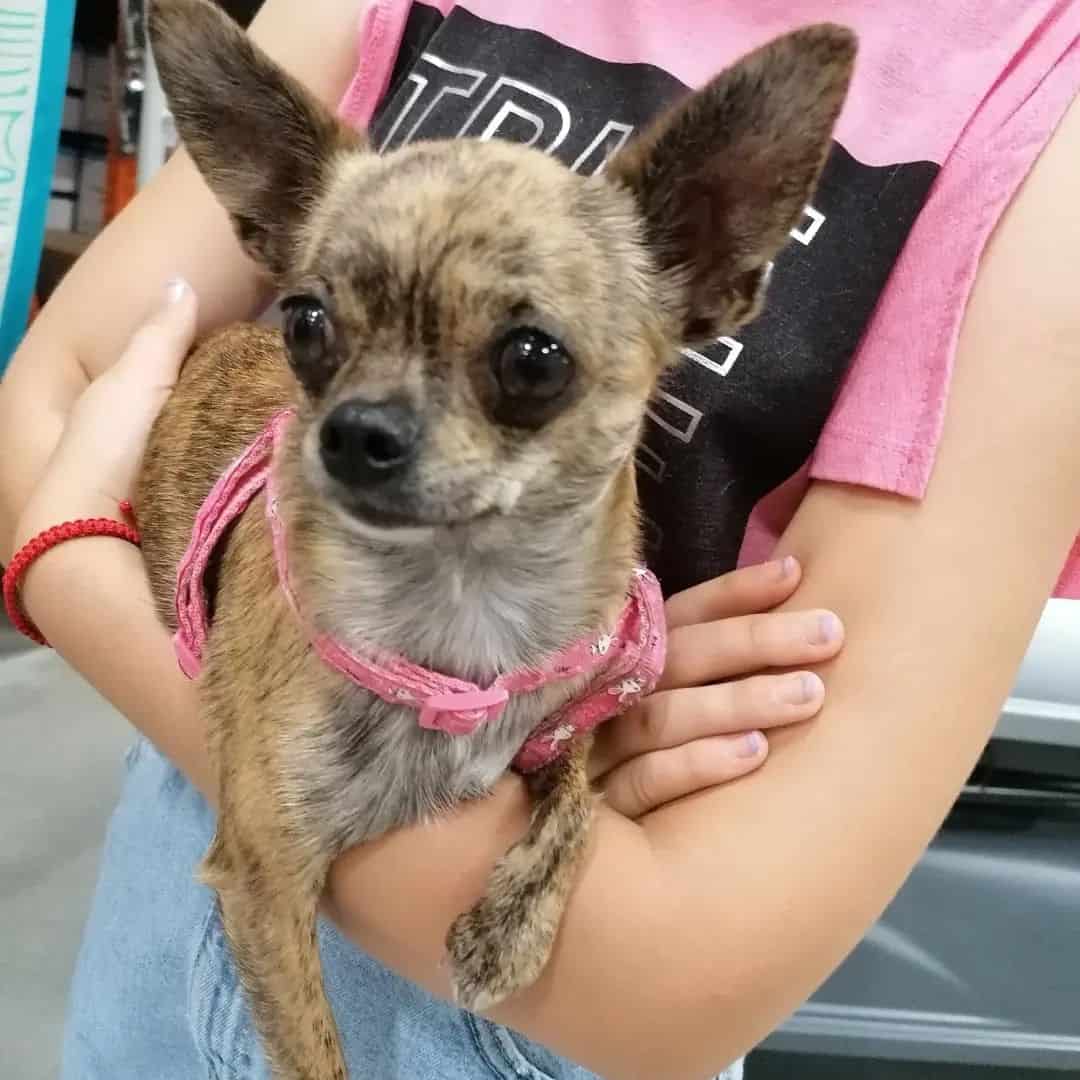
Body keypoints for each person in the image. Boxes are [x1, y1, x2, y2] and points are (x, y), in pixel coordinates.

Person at [2, 1, 1079, 1077]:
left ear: (710, 266)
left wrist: (69, 562)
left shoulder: (1039, 106)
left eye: (522, 367)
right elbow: (35, 414)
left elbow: (675, 984)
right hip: (165, 892)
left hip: (534, 1018)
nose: (367, 422)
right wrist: (63, 553)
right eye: (316, 333)